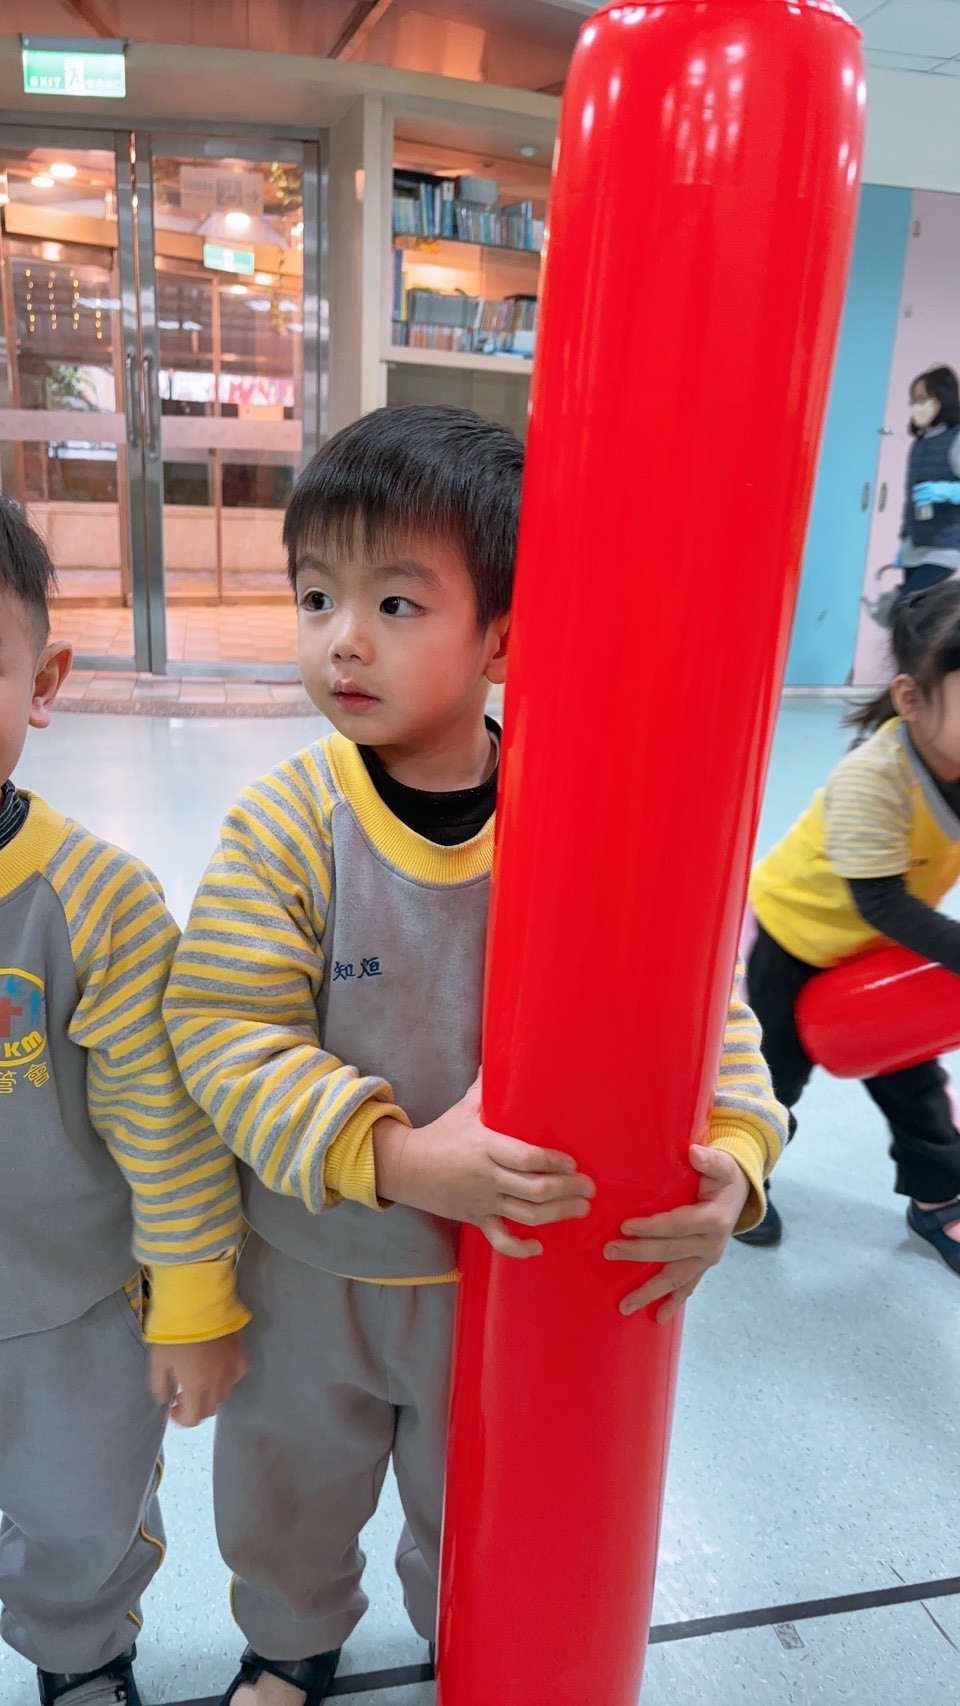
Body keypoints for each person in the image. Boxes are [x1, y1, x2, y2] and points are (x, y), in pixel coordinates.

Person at [164, 404, 786, 1706]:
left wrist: (734, 1153)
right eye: (317, 596)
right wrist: (392, 1153)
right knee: (286, 1487)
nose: (343, 637)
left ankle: (481, 1644)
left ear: (502, 636)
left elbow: (697, 1006)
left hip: (510, 1288)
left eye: (397, 602)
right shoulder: (287, 825)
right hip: (313, 1266)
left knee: (486, 1503)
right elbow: (223, 1029)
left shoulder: (584, 818)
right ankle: (288, 1641)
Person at [0, 497, 250, 1706]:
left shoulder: (92, 901)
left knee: (80, 1510)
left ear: (42, 681)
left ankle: (82, 1653)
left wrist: (193, 1303)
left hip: (71, 1312)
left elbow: (169, 1128)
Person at [739, 579, 960, 1269]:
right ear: (910, 698)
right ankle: (742, 1181)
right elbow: (882, 901)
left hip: (881, 953)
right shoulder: (875, 778)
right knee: (772, 1080)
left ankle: (938, 1199)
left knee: (915, 1084)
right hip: (796, 939)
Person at [893, 365, 960, 608]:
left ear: (942, 398)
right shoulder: (920, 443)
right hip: (916, 545)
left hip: (943, 548)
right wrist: (905, 538)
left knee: (904, 611)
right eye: (914, 400)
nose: (916, 406)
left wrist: (948, 491)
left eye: (923, 399)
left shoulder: (956, 438)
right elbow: (910, 499)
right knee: (910, 615)